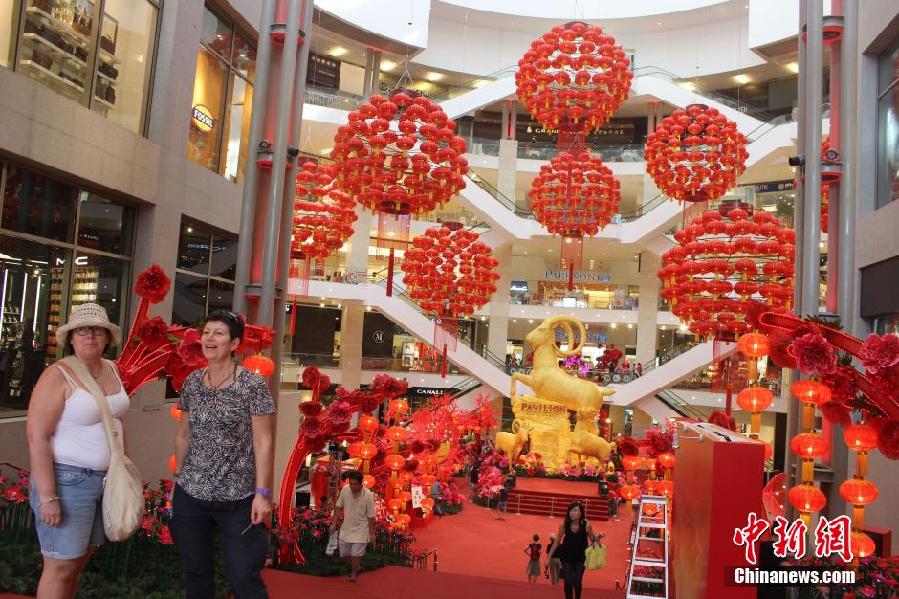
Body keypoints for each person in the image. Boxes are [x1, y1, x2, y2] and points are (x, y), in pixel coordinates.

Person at [170, 310, 276, 599]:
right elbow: (183, 433)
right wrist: (176, 480)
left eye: (218, 333)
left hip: (238, 499)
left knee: (244, 577)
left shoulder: (252, 386)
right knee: (196, 575)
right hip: (191, 495)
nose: (209, 338)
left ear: (234, 344)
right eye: (206, 332)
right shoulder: (192, 382)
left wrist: (262, 493)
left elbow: (263, 442)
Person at [26, 303, 127, 599]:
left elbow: (118, 420)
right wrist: (48, 496)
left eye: (97, 330)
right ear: (70, 338)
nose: (90, 336)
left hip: (105, 480)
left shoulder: (113, 369)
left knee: (78, 561)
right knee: (60, 565)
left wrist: (124, 468)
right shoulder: (58, 375)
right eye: (82, 330)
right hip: (68, 481)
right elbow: (37, 437)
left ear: (108, 337)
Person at [329, 470, 376, 582]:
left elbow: (371, 516)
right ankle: (356, 566)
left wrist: (371, 533)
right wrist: (334, 524)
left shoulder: (368, 495)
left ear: (361, 483)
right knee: (345, 554)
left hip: (362, 529)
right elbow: (338, 507)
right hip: (346, 528)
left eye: (355, 484)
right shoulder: (345, 490)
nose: (352, 486)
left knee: (356, 554)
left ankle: (353, 575)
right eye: (350, 483)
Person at [547, 501, 598, 599]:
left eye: (575, 510)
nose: (572, 513)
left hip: (581, 558)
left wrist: (598, 537)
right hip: (567, 557)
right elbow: (557, 542)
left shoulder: (586, 525)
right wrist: (548, 558)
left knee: (577, 583)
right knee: (568, 582)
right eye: (571, 510)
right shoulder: (564, 525)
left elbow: (593, 540)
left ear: (581, 513)